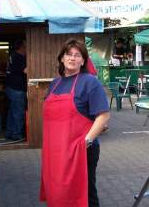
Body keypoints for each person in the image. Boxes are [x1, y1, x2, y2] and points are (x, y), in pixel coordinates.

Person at [40, 39, 110, 207]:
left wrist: (87, 141)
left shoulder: (90, 82)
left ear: (83, 61)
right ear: (62, 58)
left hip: (81, 150)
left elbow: (103, 115)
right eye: (68, 54)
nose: (72, 58)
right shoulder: (55, 84)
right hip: (56, 151)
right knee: (58, 191)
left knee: (85, 193)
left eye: (77, 55)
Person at [5, 39, 27, 141]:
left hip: (10, 87)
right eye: (26, 45)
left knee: (12, 111)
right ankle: (16, 135)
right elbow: (26, 70)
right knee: (18, 112)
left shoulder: (12, 55)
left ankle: (9, 133)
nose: (27, 47)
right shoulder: (20, 57)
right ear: (22, 46)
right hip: (17, 88)